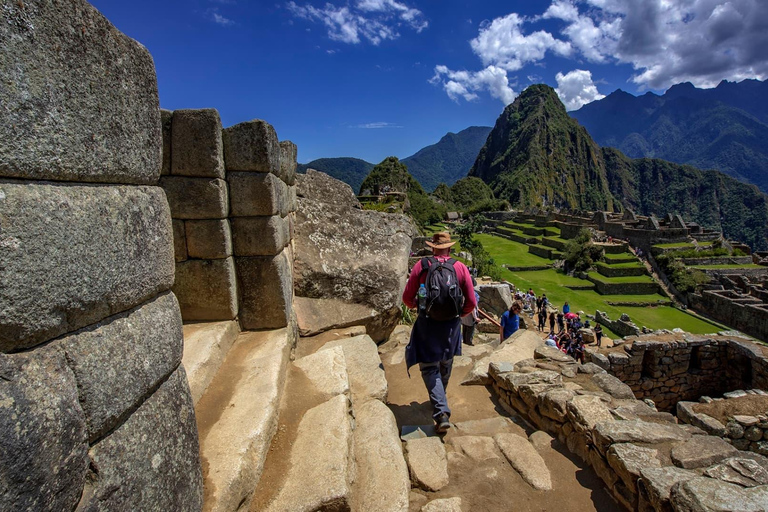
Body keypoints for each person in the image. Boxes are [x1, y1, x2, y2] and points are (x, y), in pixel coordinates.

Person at [403, 232, 476, 434]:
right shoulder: (459, 267)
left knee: (429, 367)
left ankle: (441, 411)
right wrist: (457, 314)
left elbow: (407, 298)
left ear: (432, 247)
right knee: (446, 361)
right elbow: (471, 302)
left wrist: (419, 306)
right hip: (451, 325)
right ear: (449, 248)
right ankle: (440, 397)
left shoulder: (422, 266)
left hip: (427, 323)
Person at [461, 280, 480, 346]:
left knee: (464, 329)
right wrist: (475, 317)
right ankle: (469, 343)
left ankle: (465, 342)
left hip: (464, 314)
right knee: (470, 330)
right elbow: (473, 307)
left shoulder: (463, 292)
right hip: (470, 316)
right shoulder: (473, 294)